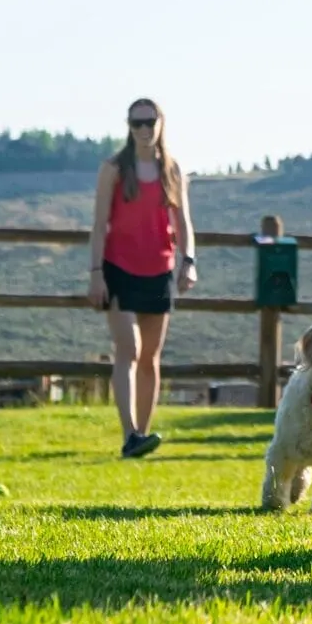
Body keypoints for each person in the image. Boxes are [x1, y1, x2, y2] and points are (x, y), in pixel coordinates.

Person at [88, 96, 197, 457]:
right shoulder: (114, 169)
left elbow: (182, 223)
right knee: (128, 350)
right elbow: (100, 224)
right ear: (128, 128)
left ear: (161, 123)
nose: (145, 129)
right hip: (118, 267)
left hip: (160, 269)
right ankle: (129, 432)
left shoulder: (173, 170)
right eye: (137, 123)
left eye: (150, 121)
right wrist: (95, 273)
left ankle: (142, 436)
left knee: (151, 356)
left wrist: (188, 260)